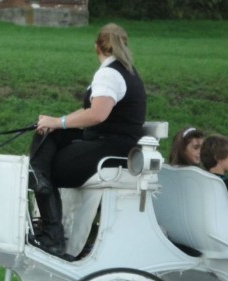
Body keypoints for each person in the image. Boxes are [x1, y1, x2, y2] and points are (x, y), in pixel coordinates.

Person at [28, 23, 147, 256]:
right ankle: (38, 177)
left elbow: (97, 114)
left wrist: (57, 121)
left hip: (111, 150)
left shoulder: (109, 74)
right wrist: (54, 124)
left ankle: (52, 232)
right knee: (49, 135)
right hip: (118, 145)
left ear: (96, 47)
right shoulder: (126, 71)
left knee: (50, 164)